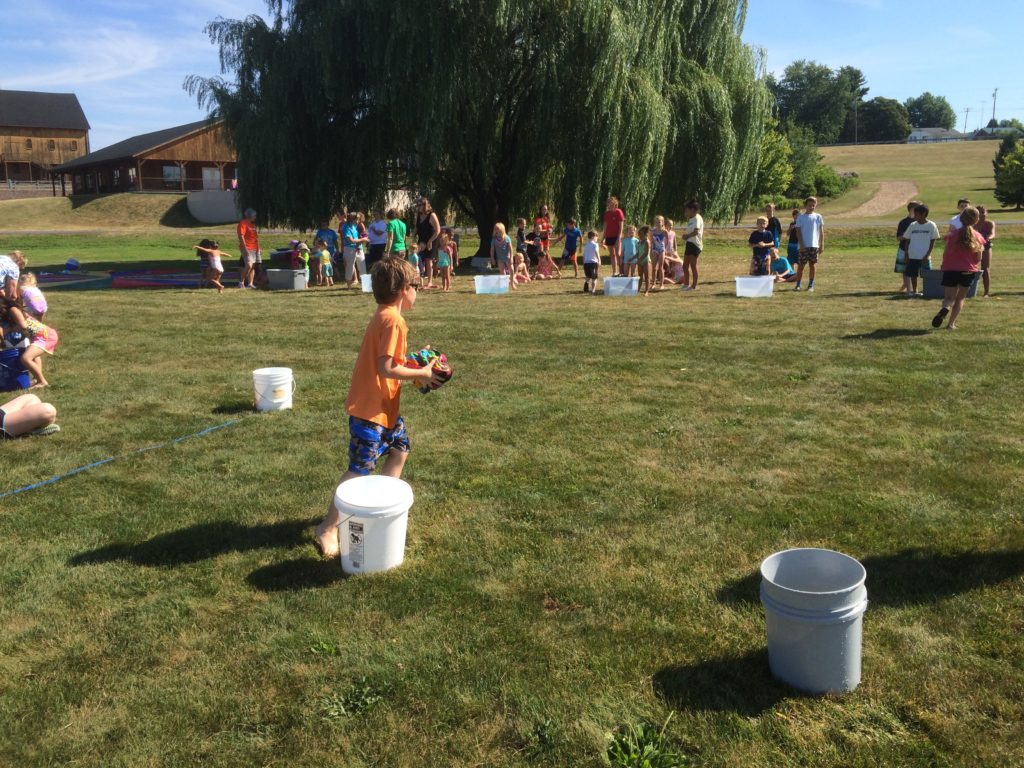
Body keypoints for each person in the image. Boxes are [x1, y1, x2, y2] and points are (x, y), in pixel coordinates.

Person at [314, 258, 446, 558]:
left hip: (383, 409)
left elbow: (390, 361)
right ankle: (327, 527)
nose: (418, 291)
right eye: (416, 286)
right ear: (403, 288)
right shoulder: (394, 321)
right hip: (370, 411)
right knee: (359, 470)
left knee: (400, 450)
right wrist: (423, 374)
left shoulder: (384, 316)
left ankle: (377, 508)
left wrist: (414, 360)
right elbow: (386, 368)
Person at [932, 206, 985, 331]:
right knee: (960, 298)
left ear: (961, 218)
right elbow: (978, 258)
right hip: (968, 270)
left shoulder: (952, 235)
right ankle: (951, 324)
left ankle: (945, 308)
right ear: (976, 220)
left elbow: (946, 253)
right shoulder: (978, 237)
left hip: (951, 269)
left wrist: (944, 264)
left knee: (948, 298)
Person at [0, 295, 59, 388]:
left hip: (45, 335)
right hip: (39, 336)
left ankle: (42, 382)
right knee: (34, 356)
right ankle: (37, 379)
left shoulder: (13, 309)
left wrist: (9, 330)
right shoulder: (8, 315)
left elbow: (23, 325)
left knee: (25, 358)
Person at [902, 204, 939, 297]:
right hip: (913, 256)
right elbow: (907, 241)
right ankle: (915, 291)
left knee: (927, 275)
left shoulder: (931, 225)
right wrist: (906, 255)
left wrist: (928, 254)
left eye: (916, 214)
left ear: (924, 214)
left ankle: (927, 291)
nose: (914, 216)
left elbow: (933, 241)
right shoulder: (912, 225)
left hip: (925, 257)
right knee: (913, 275)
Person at [793, 196, 824, 292]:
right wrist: (801, 244)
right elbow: (798, 232)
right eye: (809, 205)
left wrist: (821, 244)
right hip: (803, 246)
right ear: (805, 206)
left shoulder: (818, 217)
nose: (811, 207)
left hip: (814, 245)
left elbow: (821, 232)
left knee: (812, 265)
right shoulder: (800, 218)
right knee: (801, 266)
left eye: (813, 205)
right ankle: (798, 285)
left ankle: (811, 285)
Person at [415, 199, 441, 289]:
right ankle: (418, 280)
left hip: (432, 239)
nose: (417, 207)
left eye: (419, 205)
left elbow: (438, 230)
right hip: (421, 240)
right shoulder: (418, 215)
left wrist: (429, 241)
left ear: (424, 205)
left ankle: (430, 282)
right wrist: (414, 237)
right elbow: (416, 228)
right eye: (417, 205)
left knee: (428, 260)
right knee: (417, 257)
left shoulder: (432, 215)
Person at [895, 201, 919, 293]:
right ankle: (907, 288)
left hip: (917, 250)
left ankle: (911, 288)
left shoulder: (921, 222)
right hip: (904, 249)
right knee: (904, 269)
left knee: (915, 270)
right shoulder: (903, 222)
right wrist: (908, 235)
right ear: (912, 210)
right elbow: (898, 237)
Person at [341, 212, 369, 288]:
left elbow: (361, 233)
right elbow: (351, 240)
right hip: (349, 249)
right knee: (349, 267)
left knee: (362, 267)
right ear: (351, 219)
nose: (358, 221)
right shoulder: (346, 227)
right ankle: (349, 286)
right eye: (357, 219)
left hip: (359, 248)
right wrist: (363, 239)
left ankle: (366, 287)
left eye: (359, 219)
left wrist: (363, 236)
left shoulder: (355, 225)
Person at [682, 200, 703, 291]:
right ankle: (686, 284)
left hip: (695, 244)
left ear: (693, 210)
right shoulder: (691, 218)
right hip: (689, 243)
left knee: (693, 265)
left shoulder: (697, 218)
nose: (685, 212)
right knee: (685, 265)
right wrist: (686, 237)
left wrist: (687, 236)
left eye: (687, 210)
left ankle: (693, 286)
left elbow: (696, 232)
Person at [236, 208, 260, 289]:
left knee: (252, 266)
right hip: (246, 247)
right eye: (254, 215)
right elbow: (241, 236)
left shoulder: (253, 225)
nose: (255, 217)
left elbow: (255, 238)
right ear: (250, 216)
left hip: (254, 248)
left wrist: (258, 248)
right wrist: (245, 248)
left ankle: (250, 283)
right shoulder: (243, 223)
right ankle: (241, 282)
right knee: (249, 265)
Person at [975, 205, 995, 297]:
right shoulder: (972, 224)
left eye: (983, 212)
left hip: (986, 246)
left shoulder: (989, 223)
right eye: (979, 212)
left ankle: (986, 292)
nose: (981, 214)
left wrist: (987, 238)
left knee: (985, 268)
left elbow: (992, 234)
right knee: (970, 268)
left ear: (986, 213)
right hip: (974, 246)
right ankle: (969, 290)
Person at [603, 196, 625, 275]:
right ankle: (614, 272)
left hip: (617, 236)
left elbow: (621, 226)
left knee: (618, 254)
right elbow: (605, 226)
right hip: (609, 236)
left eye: (610, 202)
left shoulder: (618, 212)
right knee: (612, 255)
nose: (608, 204)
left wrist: (619, 238)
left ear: (614, 203)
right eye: (608, 203)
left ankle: (621, 272)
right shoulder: (607, 214)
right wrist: (603, 237)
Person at [651, 215, 668, 289]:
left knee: (660, 267)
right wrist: (651, 250)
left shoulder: (664, 231)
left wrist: (665, 249)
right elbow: (651, 241)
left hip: (661, 249)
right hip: (655, 249)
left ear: (662, 222)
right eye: (656, 222)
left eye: (659, 222)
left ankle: (661, 284)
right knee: (654, 267)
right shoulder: (653, 231)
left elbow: (667, 240)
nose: (657, 224)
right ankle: (653, 283)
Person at [582, 230, 600, 295]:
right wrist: (599, 260)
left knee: (588, 276)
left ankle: (586, 284)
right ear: (593, 237)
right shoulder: (595, 245)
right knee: (594, 278)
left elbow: (584, 255)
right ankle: (593, 291)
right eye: (596, 237)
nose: (597, 238)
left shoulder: (586, 246)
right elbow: (596, 252)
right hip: (593, 263)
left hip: (586, 263)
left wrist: (584, 263)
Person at [636, 225, 652, 296]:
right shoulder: (639, 242)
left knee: (647, 276)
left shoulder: (647, 242)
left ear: (646, 234)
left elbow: (646, 253)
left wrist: (640, 259)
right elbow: (638, 253)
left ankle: (646, 291)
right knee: (640, 276)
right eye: (639, 235)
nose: (639, 236)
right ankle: (638, 290)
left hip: (646, 261)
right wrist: (633, 258)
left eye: (641, 235)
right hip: (640, 261)